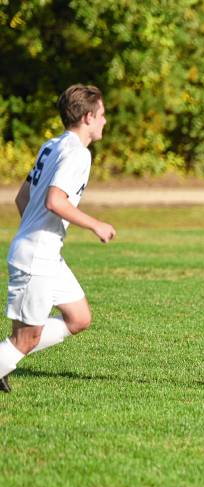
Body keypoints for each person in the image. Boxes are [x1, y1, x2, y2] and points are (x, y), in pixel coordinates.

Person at [0, 84, 117, 393]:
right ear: (88, 117)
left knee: (79, 318)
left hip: (45, 254)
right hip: (37, 257)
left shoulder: (51, 145)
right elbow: (55, 200)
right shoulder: (79, 154)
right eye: (102, 115)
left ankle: (7, 357)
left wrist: (36, 233)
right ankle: (5, 358)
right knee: (26, 338)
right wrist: (96, 225)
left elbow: (23, 198)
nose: (105, 121)